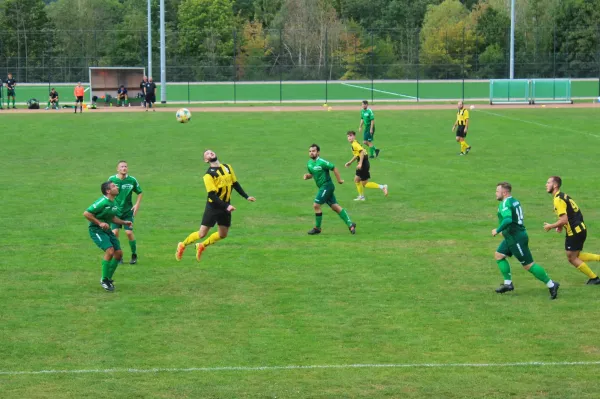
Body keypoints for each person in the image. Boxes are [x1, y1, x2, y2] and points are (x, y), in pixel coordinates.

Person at [176, 150, 256, 262]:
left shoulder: (228, 167)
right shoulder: (208, 175)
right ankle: (182, 245)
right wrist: (226, 206)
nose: (210, 153)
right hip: (213, 207)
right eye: (207, 154)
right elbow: (212, 195)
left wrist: (246, 196)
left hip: (225, 206)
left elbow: (235, 184)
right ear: (206, 160)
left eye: (211, 152)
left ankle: (201, 246)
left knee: (223, 234)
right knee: (202, 233)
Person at [492, 182, 559, 299]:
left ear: (504, 192)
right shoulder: (514, 201)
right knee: (499, 255)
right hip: (512, 236)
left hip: (516, 239)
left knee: (528, 265)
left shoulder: (505, 204)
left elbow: (508, 219)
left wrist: (497, 230)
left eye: (497, 191)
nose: (495, 193)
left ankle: (552, 285)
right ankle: (508, 284)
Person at [543, 176, 600, 284]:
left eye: (548, 182)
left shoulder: (558, 199)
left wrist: (551, 226)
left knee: (572, 258)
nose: (546, 185)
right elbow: (570, 214)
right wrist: (560, 226)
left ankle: (594, 278)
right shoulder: (563, 195)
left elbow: (564, 220)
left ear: (555, 185)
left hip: (574, 232)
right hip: (580, 229)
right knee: (575, 256)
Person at [83, 181, 133, 291]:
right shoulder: (102, 202)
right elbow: (86, 213)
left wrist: (124, 223)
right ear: (108, 191)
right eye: (114, 186)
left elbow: (112, 218)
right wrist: (99, 223)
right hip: (96, 230)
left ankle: (108, 278)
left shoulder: (114, 202)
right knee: (110, 251)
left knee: (119, 254)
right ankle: (104, 279)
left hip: (107, 230)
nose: (117, 187)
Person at [304, 144, 356, 235]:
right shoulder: (309, 163)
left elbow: (334, 168)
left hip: (327, 186)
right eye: (310, 151)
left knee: (316, 205)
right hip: (323, 187)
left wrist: (339, 180)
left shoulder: (322, 162)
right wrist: (307, 176)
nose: (311, 153)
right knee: (335, 206)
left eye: (313, 151)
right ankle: (350, 224)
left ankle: (317, 228)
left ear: (318, 152)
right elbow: (313, 174)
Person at [110, 161, 143, 265]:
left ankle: (134, 254)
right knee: (114, 233)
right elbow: (107, 193)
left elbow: (140, 192)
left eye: (125, 166)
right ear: (117, 169)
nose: (124, 168)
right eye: (122, 166)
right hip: (115, 211)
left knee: (128, 233)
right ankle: (118, 255)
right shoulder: (112, 180)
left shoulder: (132, 180)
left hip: (128, 211)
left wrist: (137, 204)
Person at [344, 130, 388, 201]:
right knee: (357, 180)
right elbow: (357, 154)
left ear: (354, 136)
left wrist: (360, 163)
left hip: (363, 164)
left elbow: (361, 152)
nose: (349, 138)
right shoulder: (354, 143)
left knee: (364, 184)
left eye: (351, 136)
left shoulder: (355, 144)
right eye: (348, 136)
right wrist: (350, 162)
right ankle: (361, 196)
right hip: (362, 163)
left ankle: (383, 187)